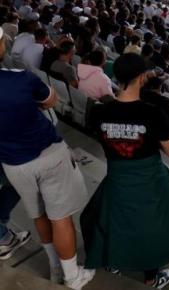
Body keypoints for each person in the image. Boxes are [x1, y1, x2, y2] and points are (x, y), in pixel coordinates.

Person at [81, 53, 169, 289]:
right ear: (142, 78)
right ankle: (151, 277)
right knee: (150, 223)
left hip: (117, 176)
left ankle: (114, 261)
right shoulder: (153, 113)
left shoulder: (99, 112)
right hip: (148, 177)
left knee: (117, 218)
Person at [0, 27, 93, 289]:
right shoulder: (20, 79)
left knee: (39, 214)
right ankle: (72, 276)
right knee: (60, 217)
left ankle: (55, 268)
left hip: (13, 163)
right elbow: (50, 101)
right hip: (47, 154)